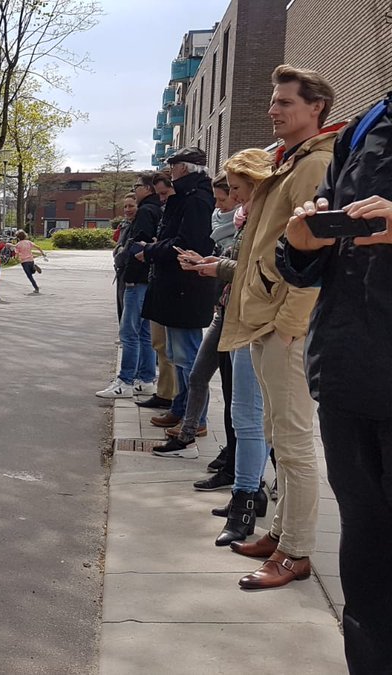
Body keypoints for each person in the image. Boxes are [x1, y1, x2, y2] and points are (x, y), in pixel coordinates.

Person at [278, 92, 392, 671]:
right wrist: (300, 245)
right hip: (351, 374)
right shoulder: (370, 119)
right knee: (368, 558)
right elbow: (313, 256)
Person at [219, 66, 338, 591]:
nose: (273, 110)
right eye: (272, 101)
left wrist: (291, 325)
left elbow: (315, 254)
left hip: (284, 326)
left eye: (285, 102)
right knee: (275, 434)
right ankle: (281, 532)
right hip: (266, 320)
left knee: (291, 442)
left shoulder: (315, 166)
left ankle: (297, 552)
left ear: (315, 108)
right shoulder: (286, 163)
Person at [170, 150, 274, 545]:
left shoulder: (267, 214)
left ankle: (248, 499)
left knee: (257, 418)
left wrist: (218, 267)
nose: (227, 200)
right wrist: (216, 262)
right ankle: (245, 495)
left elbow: (267, 268)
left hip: (258, 320)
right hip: (233, 311)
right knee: (245, 412)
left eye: (234, 190)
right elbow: (244, 262)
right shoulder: (249, 217)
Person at [136, 147, 217, 442]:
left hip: (186, 289)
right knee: (176, 354)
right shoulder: (183, 196)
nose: (171, 172)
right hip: (174, 288)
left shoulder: (196, 199)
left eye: (173, 167)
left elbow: (188, 243)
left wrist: (151, 250)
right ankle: (181, 408)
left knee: (188, 357)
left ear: (184, 168)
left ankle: (196, 418)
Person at [99, 174, 163, 399]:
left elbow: (138, 245)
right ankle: (146, 378)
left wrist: (121, 257)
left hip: (136, 279)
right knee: (144, 332)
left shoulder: (145, 212)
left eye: (136, 187)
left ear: (146, 188)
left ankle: (125, 381)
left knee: (129, 331)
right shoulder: (157, 209)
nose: (134, 190)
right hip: (148, 279)